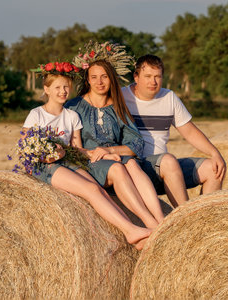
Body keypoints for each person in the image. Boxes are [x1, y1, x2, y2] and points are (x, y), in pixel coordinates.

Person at [21, 62, 151, 250]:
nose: (63, 91)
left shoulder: (71, 116)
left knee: (98, 189)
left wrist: (106, 155)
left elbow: (78, 149)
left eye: (66, 87)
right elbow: (26, 147)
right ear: (46, 89)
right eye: (57, 87)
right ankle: (130, 230)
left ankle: (135, 228)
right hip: (45, 166)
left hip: (68, 161)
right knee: (90, 190)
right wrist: (46, 156)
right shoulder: (37, 114)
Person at [65, 42, 164, 230]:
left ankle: (162, 219)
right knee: (119, 168)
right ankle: (149, 222)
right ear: (87, 80)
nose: (99, 82)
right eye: (94, 77)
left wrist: (109, 150)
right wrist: (99, 153)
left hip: (116, 157)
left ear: (111, 79)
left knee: (133, 164)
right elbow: (68, 145)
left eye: (104, 77)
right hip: (89, 161)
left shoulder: (118, 106)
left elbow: (135, 142)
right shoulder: (74, 107)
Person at [122, 54, 226, 208]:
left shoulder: (169, 97)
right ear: (136, 77)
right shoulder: (121, 97)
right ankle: (185, 219)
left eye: (158, 76)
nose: (153, 81)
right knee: (169, 161)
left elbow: (189, 132)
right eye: (148, 76)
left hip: (166, 170)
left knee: (214, 169)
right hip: (137, 168)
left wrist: (215, 153)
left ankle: (205, 221)